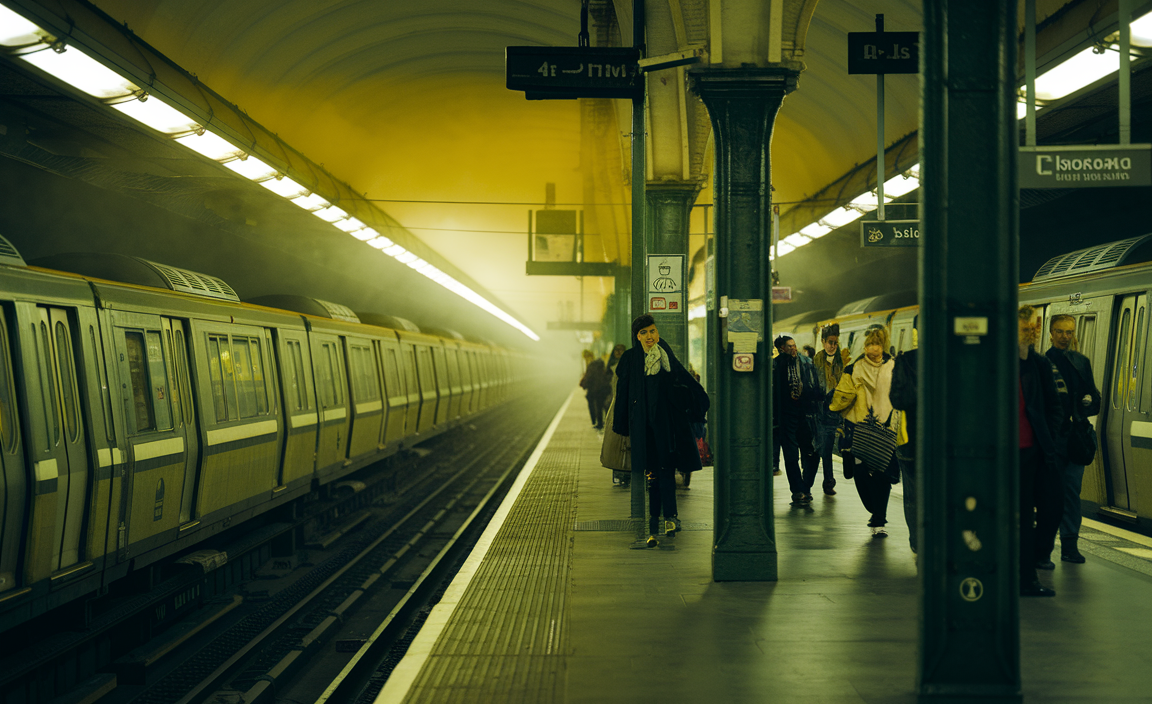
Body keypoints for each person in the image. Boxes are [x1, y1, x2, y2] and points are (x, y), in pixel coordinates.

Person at [613, 315, 709, 547]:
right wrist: (622, 426)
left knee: (666, 470)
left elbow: (683, 380)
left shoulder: (665, 354)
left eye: (653, 331)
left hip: (666, 425)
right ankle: (654, 520)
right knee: (652, 474)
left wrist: (698, 402)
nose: (650, 337)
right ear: (637, 336)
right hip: (643, 427)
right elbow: (623, 393)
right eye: (644, 333)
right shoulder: (630, 359)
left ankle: (670, 518)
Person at [830, 326, 899, 538]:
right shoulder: (853, 368)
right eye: (869, 344)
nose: (872, 349)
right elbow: (841, 396)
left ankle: (879, 518)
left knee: (882, 476)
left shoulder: (894, 366)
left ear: (883, 345)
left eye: (876, 344)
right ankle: (873, 509)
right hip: (858, 429)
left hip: (886, 429)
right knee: (860, 474)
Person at [1017, 305, 1066, 597]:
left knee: (1052, 509)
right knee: (1020, 517)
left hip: (1037, 450)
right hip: (1007, 455)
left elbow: (1054, 405)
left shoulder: (1037, 363)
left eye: (1034, 328)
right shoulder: (994, 362)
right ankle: (1025, 578)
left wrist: (1052, 438)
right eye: (1026, 328)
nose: (1032, 332)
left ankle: (1034, 558)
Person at [1045, 314, 1100, 564]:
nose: (1065, 337)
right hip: (1051, 439)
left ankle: (1069, 545)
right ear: (1051, 333)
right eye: (1060, 332)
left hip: (1076, 438)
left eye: (1069, 332)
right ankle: (1044, 547)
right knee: (1049, 493)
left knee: (1071, 491)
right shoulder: (1042, 363)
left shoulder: (1081, 362)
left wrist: (1086, 405)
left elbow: (1094, 397)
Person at [773, 335, 823, 505]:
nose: (793, 349)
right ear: (782, 348)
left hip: (807, 414)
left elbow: (816, 385)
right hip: (787, 416)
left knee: (812, 453)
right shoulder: (776, 365)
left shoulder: (807, 363)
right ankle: (797, 490)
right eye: (789, 347)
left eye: (794, 346)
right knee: (791, 455)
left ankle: (806, 486)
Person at [812, 324, 850, 496]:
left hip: (837, 409)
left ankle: (827, 483)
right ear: (823, 342)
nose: (832, 345)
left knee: (827, 448)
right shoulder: (816, 360)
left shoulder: (843, 360)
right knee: (823, 448)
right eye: (829, 342)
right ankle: (825, 482)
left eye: (835, 342)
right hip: (820, 409)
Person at [889, 328, 918, 553]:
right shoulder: (956, 357)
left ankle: (917, 541)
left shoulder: (906, 360)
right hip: (948, 444)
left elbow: (897, 400)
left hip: (911, 441)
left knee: (913, 496)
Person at [579, 350, 611, 430]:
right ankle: (603, 422)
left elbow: (589, 376)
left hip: (595, 388)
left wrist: (584, 383)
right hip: (600, 387)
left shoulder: (592, 365)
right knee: (602, 406)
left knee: (597, 406)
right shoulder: (599, 364)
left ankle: (598, 422)